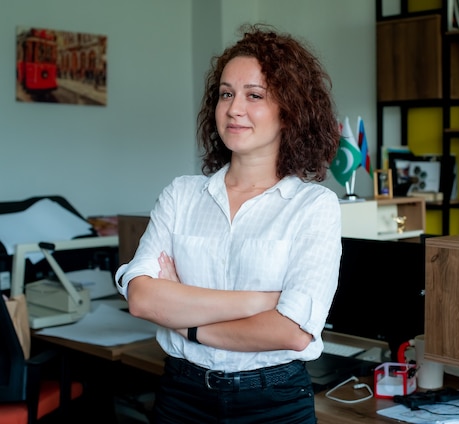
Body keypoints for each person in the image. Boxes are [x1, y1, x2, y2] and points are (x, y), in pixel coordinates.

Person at [115, 23, 342, 423]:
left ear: (290, 111)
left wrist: (187, 324)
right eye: (226, 94)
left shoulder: (313, 206)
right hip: (182, 396)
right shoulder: (181, 195)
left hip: (275, 401)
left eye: (254, 95)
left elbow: (291, 332)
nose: (234, 108)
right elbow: (143, 299)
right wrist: (263, 303)